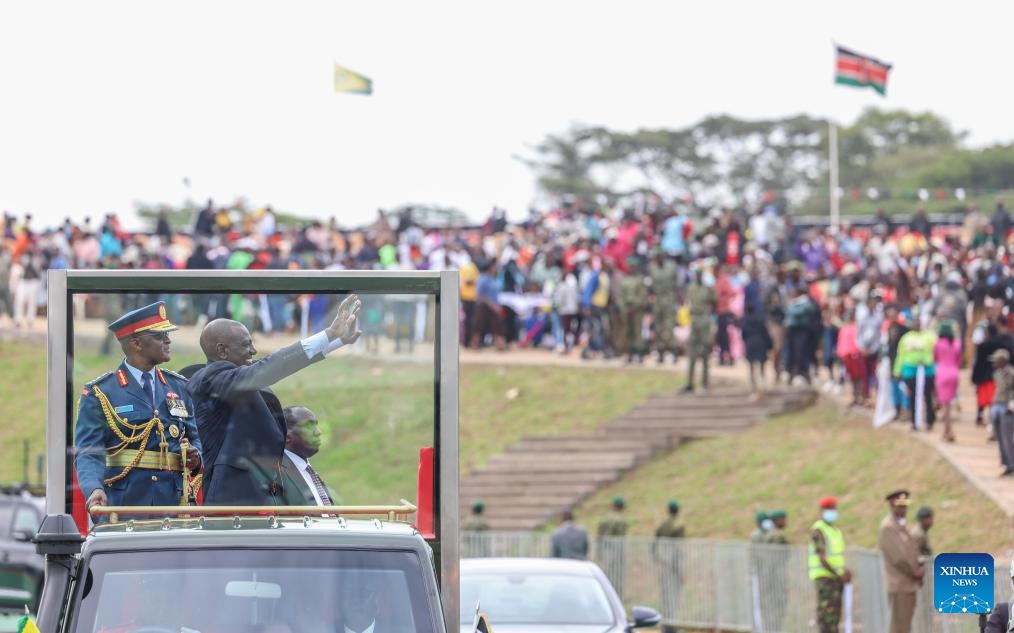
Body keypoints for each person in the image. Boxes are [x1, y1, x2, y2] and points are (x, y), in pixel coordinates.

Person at [187, 294, 361, 505]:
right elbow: (269, 367)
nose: (253, 351)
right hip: (232, 498)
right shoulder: (213, 378)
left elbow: (276, 365)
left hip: (257, 492)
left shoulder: (235, 375)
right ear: (222, 350)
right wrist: (329, 333)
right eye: (246, 345)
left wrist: (338, 340)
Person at [74, 301, 202, 516]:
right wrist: (94, 489)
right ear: (136, 343)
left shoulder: (179, 386)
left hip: (173, 507)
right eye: (160, 336)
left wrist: (196, 457)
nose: (168, 340)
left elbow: (196, 438)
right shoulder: (101, 393)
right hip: (124, 508)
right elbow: (88, 451)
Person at [878, 490, 922, 633]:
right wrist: (915, 572)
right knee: (899, 627)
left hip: (907, 585)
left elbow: (911, 550)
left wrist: (919, 565)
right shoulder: (888, 527)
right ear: (892, 505)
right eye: (900, 506)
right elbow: (899, 558)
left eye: (905, 506)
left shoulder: (901, 525)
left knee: (905, 626)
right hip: (899, 585)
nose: (904, 509)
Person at [278, 406, 339, 507]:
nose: (318, 432)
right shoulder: (276, 473)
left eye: (316, 425)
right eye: (309, 426)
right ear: (287, 436)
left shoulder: (309, 471)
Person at [808, 496, 851, 633]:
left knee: (834, 618)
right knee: (827, 618)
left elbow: (837, 557)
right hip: (825, 579)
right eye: (829, 509)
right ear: (822, 511)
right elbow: (822, 558)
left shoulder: (835, 531)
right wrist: (839, 574)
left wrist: (844, 571)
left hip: (835, 579)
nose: (832, 512)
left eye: (833, 508)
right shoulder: (819, 530)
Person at [893, 315, 938, 431]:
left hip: (927, 370)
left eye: (918, 322)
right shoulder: (906, 338)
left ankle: (929, 421)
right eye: (914, 322)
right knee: (912, 396)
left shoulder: (930, 337)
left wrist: (932, 366)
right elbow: (901, 355)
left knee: (928, 396)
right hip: (910, 371)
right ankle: (914, 421)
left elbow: (936, 354)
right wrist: (897, 371)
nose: (917, 324)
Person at [682, 265, 716, 393]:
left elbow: (714, 302)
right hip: (694, 320)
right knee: (692, 352)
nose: (698, 277)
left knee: (706, 352)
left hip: (704, 320)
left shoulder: (708, 289)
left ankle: (705, 382)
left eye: (700, 274)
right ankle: (689, 383)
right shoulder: (691, 288)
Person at [653, 500, 685, 633]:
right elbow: (678, 548)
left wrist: (658, 562)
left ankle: (665, 626)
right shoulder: (678, 526)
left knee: (665, 597)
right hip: (673, 568)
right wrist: (680, 571)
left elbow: (654, 546)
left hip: (663, 566)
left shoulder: (661, 526)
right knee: (673, 597)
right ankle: (670, 627)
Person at [649, 249, 681, 364]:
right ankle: (661, 352)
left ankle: (674, 351)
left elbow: (677, 284)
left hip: (669, 298)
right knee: (658, 327)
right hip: (658, 299)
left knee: (669, 326)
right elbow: (651, 286)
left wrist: (677, 298)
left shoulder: (671, 267)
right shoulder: (653, 268)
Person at [761, 510, 790, 633]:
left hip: (771, 577)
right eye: (783, 519)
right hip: (775, 578)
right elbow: (775, 558)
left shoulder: (769, 534)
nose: (785, 522)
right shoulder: (777, 536)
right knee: (776, 609)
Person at [934, 322, 962, 442]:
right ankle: (947, 431)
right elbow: (958, 360)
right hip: (954, 373)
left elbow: (935, 358)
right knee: (948, 403)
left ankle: (948, 430)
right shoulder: (957, 344)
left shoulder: (938, 344)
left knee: (945, 405)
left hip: (942, 373)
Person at [617, 257, 649, 364]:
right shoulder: (625, 280)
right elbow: (620, 296)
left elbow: (642, 296)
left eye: (633, 266)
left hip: (637, 310)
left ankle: (639, 354)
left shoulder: (640, 280)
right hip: (626, 310)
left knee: (637, 331)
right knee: (627, 332)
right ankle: (629, 354)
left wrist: (634, 306)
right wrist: (624, 307)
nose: (631, 268)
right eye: (630, 266)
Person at [597, 496, 629, 598]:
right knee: (618, 576)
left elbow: (599, 536)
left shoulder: (605, 519)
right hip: (617, 551)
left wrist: (600, 553)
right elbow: (621, 537)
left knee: (606, 576)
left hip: (606, 550)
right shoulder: (621, 521)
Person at [989, 348, 1014, 476]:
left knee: (1007, 437)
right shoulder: (997, 374)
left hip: (1007, 408)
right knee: (999, 437)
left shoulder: (1011, 373)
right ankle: (1006, 463)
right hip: (997, 405)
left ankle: (1011, 464)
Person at [740, 303, 772, 399]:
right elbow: (765, 333)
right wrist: (769, 345)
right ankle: (762, 385)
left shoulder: (744, 321)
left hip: (750, 344)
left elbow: (743, 335)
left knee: (751, 367)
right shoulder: (760, 320)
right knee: (762, 366)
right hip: (761, 343)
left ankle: (753, 387)